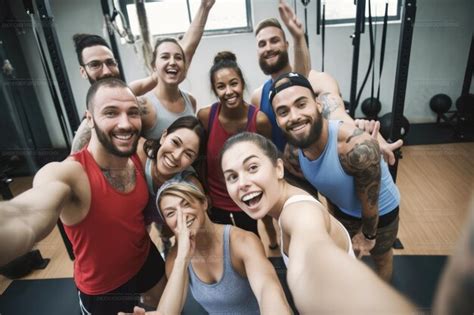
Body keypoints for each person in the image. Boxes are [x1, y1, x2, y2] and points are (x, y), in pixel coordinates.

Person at [0, 78, 166, 315]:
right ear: (89, 119)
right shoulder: (70, 173)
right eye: (111, 113)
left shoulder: (136, 154)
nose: (125, 123)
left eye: (132, 113)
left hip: (144, 258)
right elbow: (26, 214)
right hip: (103, 288)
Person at [220, 132, 414, 313]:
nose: (242, 183)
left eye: (252, 167)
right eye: (232, 177)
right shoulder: (286, 203)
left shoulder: (300, 213)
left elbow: (312, 252)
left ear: (278, 169)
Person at [268, 72, 401, 281]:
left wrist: (368, 236)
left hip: (380, 213)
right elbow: (308, 198)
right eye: (283, 111)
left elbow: (371, 203)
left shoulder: (355, 147)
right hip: (342, 210)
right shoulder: (292, 155)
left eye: (301, 104)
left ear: (319, 104)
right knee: (345, 259)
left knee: (381, 258)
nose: (294, 116)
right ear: (277, 120)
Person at [251, 1, 402, 164]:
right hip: (288, 174)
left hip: (323, 171)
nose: (268, 48)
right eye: (262, 44)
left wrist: (370, 138)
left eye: (274, 40)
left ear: (287, 45)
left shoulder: (319, 80)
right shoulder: (258, 96)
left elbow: (337, 113)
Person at [153, 176, 291, 314]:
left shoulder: (242, 242)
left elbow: (268, 289)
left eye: (186, 204)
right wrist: (182, 258)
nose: (181, 216)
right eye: (171, 213)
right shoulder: (175, 259)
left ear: (204, 203)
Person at [197, 51, 277, 246]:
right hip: (216, 200)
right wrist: (203, 193)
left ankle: (273, 242)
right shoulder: (206, 116)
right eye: (221, 86)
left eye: (233, 83)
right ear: (215, 90)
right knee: (225, 246)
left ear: (242, 83)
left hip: (249, 195)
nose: (229, 91)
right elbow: (201, 160)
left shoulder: (259, 120)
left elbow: (268, 160)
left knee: (252, 242)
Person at [140, 0, 215, 139]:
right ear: (153, 65)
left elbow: (191, 47)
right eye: (165, 57)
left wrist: (205, 7)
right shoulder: (144, 105)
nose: (173, 62)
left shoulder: (190, 101)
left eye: (178, 58)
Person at [137, 115, 205, 254]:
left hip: (164, 221)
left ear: (193, 161)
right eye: (175, 142)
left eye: (188, 154)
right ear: (163, 136)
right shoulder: (139, 153)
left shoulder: (190, 186)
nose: (176, 155)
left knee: (165, 234)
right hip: (138, 216)